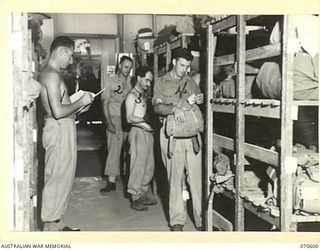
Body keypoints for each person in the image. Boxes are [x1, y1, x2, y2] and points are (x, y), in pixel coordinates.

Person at [39, 36, 94, 231]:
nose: (70, 61)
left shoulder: (52, 74)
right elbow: (57, 111)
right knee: (57, 176)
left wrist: (78, 108)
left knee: (64, 176)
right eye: (69, 55)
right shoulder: (51, 75)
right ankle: (50, 226)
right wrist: (81, 102)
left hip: (63, 127)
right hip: (58, 128)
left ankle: (57, 222)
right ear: (61, 51)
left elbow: (63, 108)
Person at [152, 48, 204, 231]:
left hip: (192, 136)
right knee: (174, 178)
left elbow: (197, 104)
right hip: (172, 136)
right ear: (174, 62)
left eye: (188, 66)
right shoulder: (161, 82)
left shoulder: (190, 82)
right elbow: (157, 108)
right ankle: (176, 220)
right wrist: (173, 108)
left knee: (197, 179)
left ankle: (200, 219)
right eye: (182, 65)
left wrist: (199, 98)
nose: (185, 69)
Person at [125, 66, 157, 211]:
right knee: (138, 165)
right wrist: (144, 124)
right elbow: (129, 117)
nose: (148, 84)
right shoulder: (131, 96)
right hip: (138, 132)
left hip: (147, 133)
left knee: (149, 165)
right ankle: (135, 197)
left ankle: (143, 193)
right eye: (147, 80)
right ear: (138, 77)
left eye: (150, 81)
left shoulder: (143, 95)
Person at [100, 56, 133, 194]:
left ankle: (127, 177)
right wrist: (109, 122)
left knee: (129, 150)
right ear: (120, 65)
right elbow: (105, 102)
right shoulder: (111, 80)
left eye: (130, 67)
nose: (128, 70)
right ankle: (111, 181)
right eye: (126, 67)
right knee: (114, 150)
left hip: (129, 119)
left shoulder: (131, 82)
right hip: (115, 117)